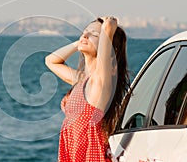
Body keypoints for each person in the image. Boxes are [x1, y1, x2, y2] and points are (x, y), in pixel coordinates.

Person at [45, 17, 130, 162]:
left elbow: (106, 41)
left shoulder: (101, 81)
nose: (85, 35)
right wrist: (80, 42)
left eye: (95, 35)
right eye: (84, 32)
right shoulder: (83, 80)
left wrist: (108, 28)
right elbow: (51, 61)